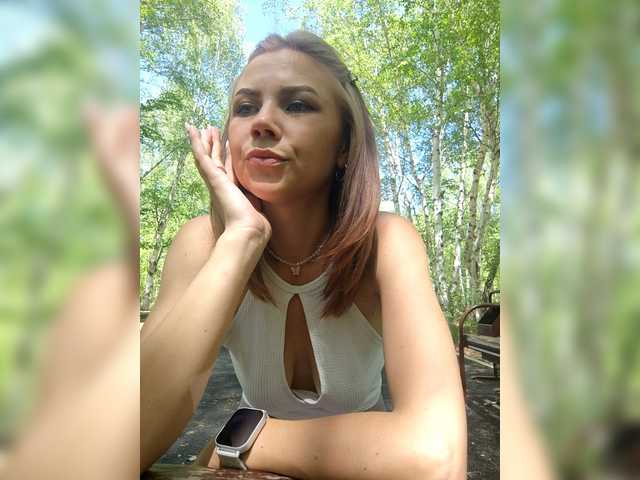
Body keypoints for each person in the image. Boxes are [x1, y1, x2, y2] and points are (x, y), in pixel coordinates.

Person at [141, 30, 466, 479]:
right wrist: (241, 239)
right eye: (245, 107)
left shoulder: (386, 243)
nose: (262, 122)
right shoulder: (203, 244)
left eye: (296, 105)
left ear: (344, 145)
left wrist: (239, 441)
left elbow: (438, 456)